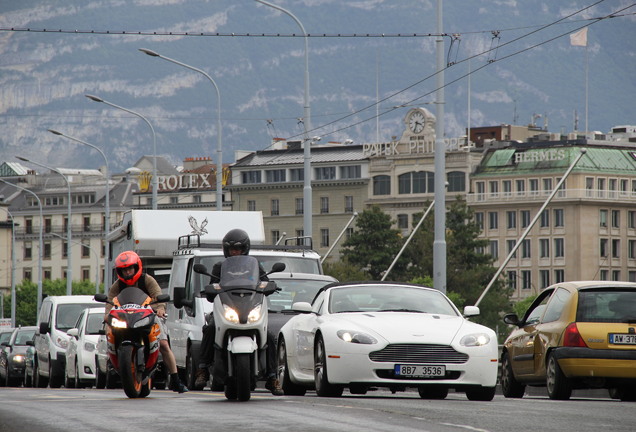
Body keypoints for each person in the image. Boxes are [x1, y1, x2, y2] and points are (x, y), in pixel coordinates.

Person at [194, 228, 283, 396]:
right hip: (227, 306)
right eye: (231, 249)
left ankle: (272, 377)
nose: (235, 252)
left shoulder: (255, 265)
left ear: (245, 249)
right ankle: (203, 369)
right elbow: (212, 292)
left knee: (270, 336)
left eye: (238, 249)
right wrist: (210, 289)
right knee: (210, 329)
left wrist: (270, 286)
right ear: (226, 250)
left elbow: (264, 282)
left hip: (249, 306)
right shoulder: (219, 267)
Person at [105, 251, 188, 393]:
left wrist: (161, 308)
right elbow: (110, 303)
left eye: (130, 268)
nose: (127, 272)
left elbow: (158, 296)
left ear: (137, 267)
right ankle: (113, 363)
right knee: (109, 334)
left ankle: (175, 380)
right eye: (124, 270)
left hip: (149, 314)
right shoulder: (117, 286)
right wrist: (107, 317)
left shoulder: (147, 280)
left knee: (163, 344)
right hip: (126, 318)